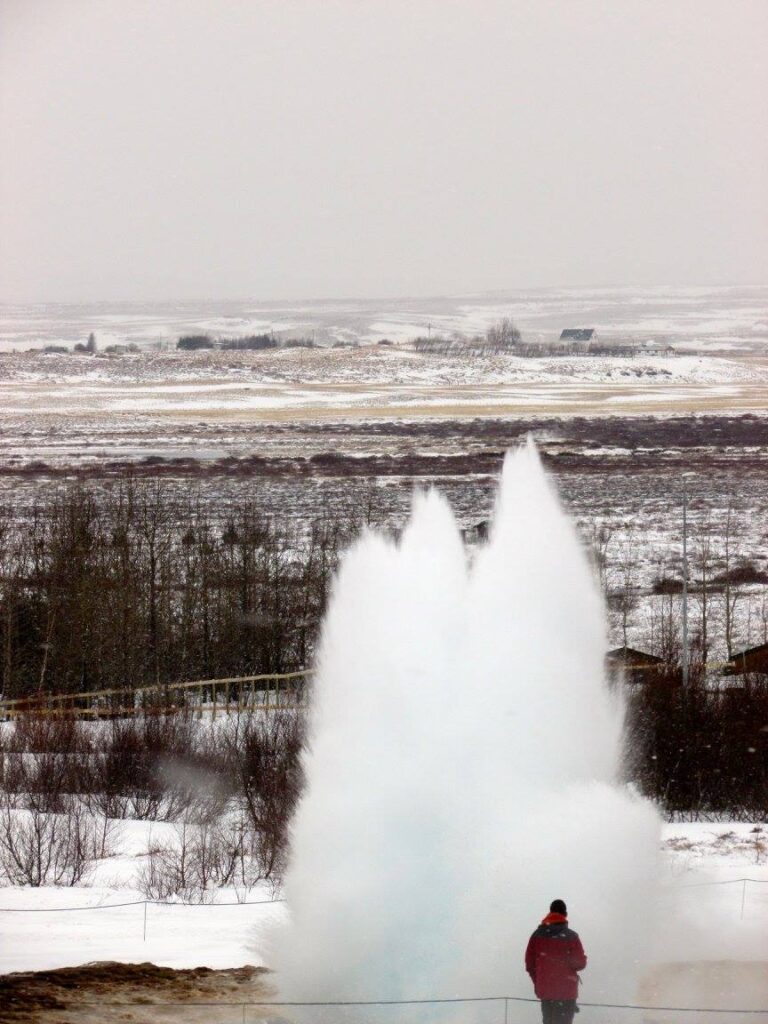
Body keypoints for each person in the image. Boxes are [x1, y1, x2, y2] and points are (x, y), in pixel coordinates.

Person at [525, 899, 587, 1024]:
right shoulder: (571, 937)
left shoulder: (536, 936)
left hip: (546, 993)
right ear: (565, 914)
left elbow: (529, 964)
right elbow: (580, 963)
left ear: (550, 912)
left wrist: (539, 983)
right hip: (566, 993)